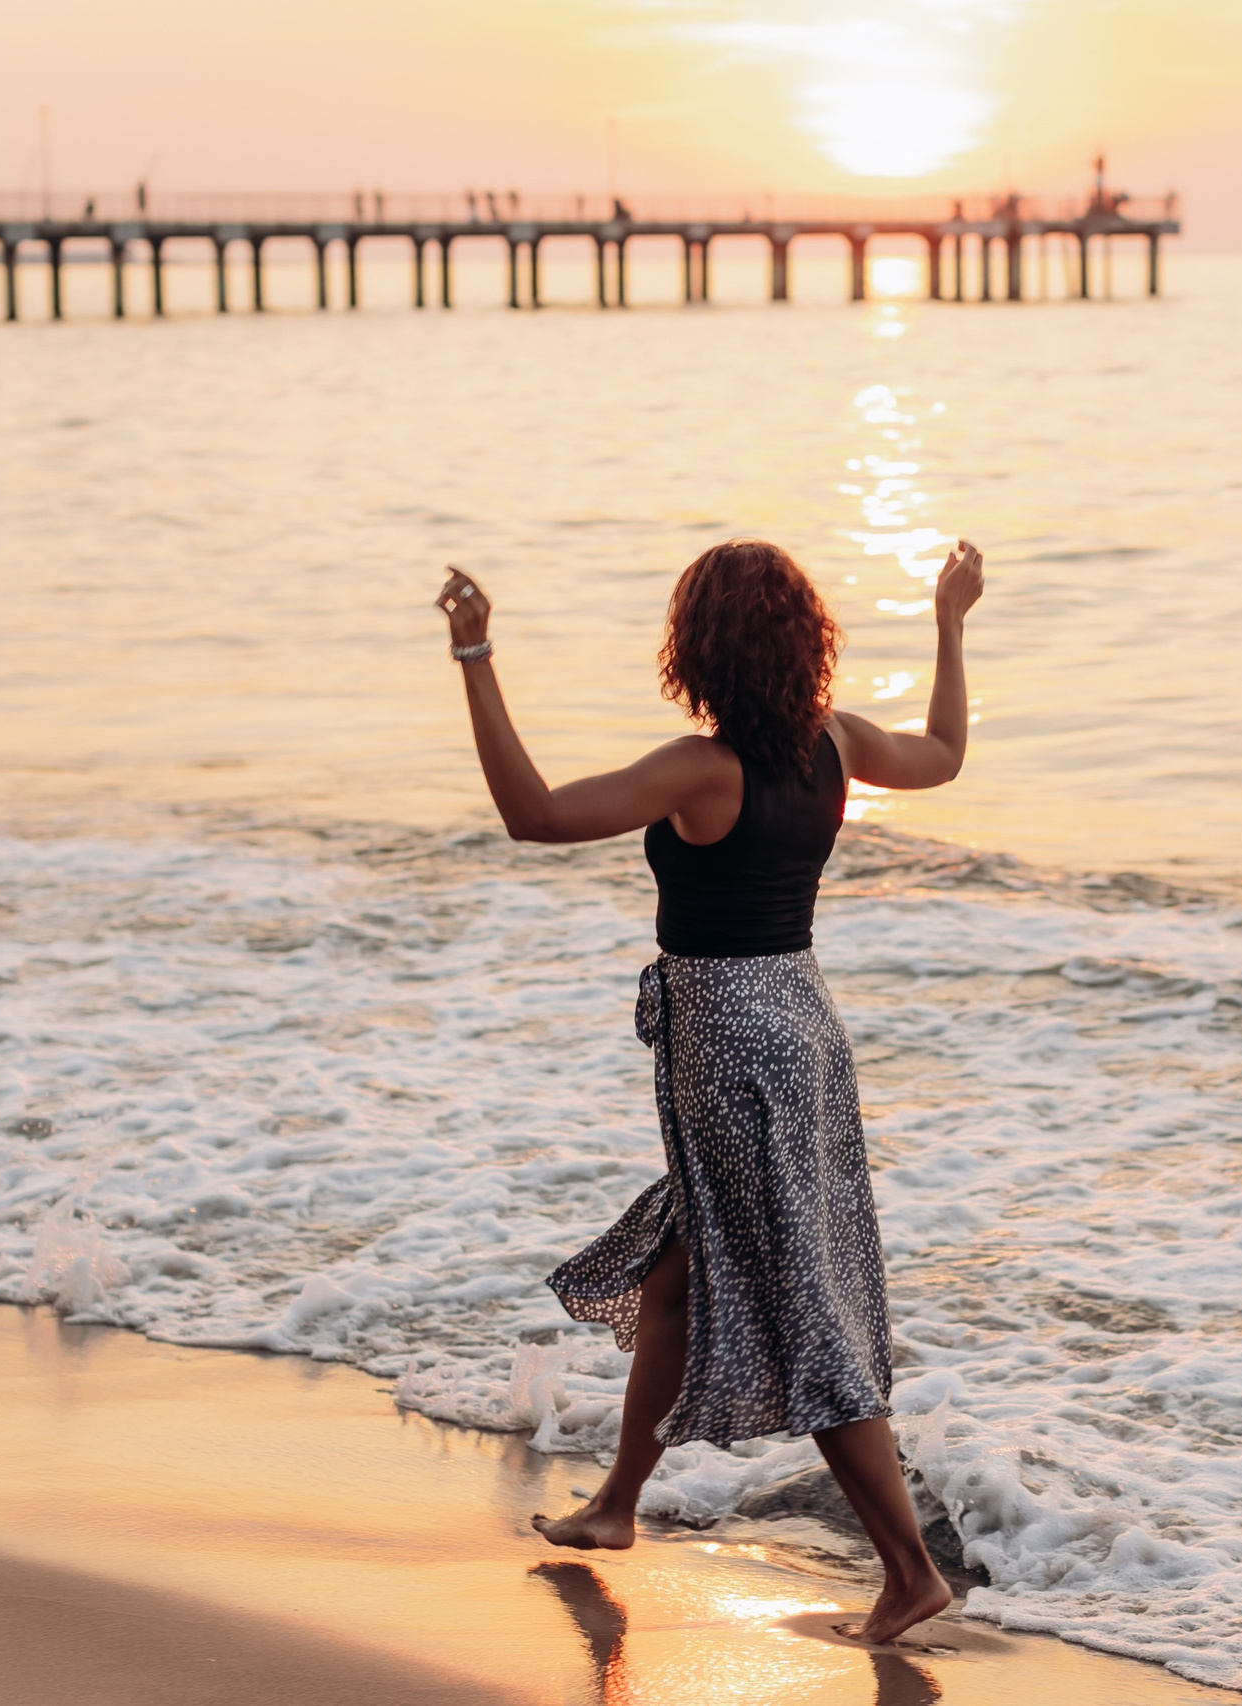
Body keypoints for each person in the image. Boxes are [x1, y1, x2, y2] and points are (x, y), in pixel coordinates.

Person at [433, 537, 987, 1647]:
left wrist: (477, 654)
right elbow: (942, 754)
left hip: (729, 1048)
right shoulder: (837, 742)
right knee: (682, 1271)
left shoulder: (702, 768)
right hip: (805, 1031)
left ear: (698, 646)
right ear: (802, 641)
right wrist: (948, 624)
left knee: (794, 1298)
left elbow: (534, 814)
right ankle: (617, 1505)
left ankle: (909, 1570)